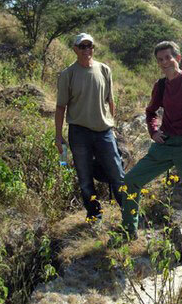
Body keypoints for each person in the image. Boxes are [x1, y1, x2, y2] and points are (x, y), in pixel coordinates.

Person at [120, 41, 182, 261]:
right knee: (131, 180)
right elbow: (151, 111)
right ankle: (129, 232)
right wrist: (153, 132)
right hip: (166, 143)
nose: (164, 63)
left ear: (177, 58)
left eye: (168, 58)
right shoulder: (160, 86)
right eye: (160, 59)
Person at [55, 33, 125, 222]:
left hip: (104, 131)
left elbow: (110, 100)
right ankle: (94, 215)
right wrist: (58, 136)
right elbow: (61, 106)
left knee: (117, 174)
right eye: (82, 46)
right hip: (79, 133)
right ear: (75, 49)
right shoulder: (68, 74)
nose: (87, 50)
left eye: (90, 46)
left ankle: (130, 214)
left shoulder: (104, 70)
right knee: (85, 179)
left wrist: (113, 126)